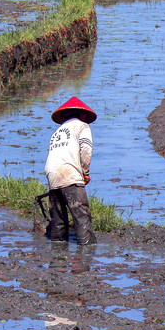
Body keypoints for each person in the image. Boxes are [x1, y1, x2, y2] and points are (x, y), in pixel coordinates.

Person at [43, 96, 97, 246]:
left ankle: (58, 248)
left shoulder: (57, 132)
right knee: (81, 214)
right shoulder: (82, 126)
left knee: (58, 216)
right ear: (83, 115)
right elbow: (86, 149)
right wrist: (85, 172)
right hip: (69, 171)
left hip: (52, 173)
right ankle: (87, 248)